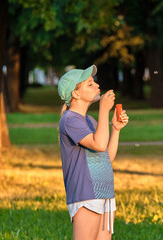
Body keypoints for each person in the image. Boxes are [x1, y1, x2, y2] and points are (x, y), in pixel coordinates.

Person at [57, 65, 128, 240]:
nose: (96, 85)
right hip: (86, 194)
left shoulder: (90, 120)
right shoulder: (70, 120)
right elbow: (98, 144)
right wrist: (104, 109)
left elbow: (106, 157)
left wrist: (116, 130)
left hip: (105, 194)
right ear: (75, 94)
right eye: (89, 84)